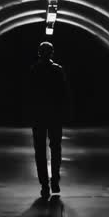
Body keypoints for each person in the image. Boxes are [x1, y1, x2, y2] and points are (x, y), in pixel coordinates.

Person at [27, 41, 70, 198]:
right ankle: (55, 180)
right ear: (52, 53)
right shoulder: (58, 70)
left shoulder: (34, 70)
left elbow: (29, 94)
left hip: (38, 115)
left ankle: (44, 184)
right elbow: (64, 94)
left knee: (40, 150)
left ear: (39, 53)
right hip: (55, 115)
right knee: (56, 148)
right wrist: (64, 112)